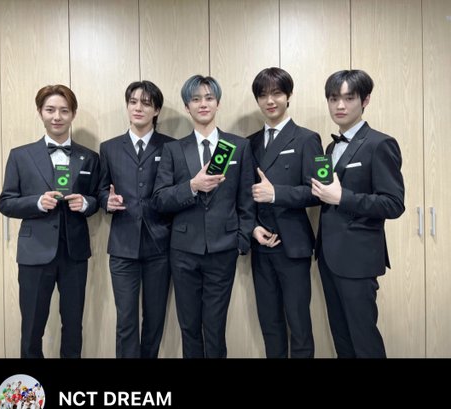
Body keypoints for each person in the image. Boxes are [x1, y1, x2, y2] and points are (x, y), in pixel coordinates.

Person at [152, 75, 255, 358]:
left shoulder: (239, 146)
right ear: (187, 107)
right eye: (196, 99)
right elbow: (159, 199)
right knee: (189, 327)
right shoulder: (173, 149)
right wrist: (192, 186)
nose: (203, 104)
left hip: (224, 250)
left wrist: (241, 240)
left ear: (218, 103)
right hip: (183, 251)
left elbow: (246, 200)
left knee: (215, 328)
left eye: (209, 98)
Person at [0, 84, 100, 358]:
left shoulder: (90, 157)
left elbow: (96, 198)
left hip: (74, 254)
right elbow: (5, 202)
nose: (57, 116)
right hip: (34, 254)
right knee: (32, 328)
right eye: (50, 110)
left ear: (73, 114)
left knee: (73, 327)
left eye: (64, 111)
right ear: (40, 112)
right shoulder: (20, 155)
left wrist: (86, 204)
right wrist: (36, 203)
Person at [311, 70, 405, 358]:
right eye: (333, 99)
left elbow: (393, 204)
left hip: (358, 260)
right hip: (328, 257)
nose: (339, 105)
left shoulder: (380, 144)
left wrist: (343, 198)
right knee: (342, 339)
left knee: (364, 341)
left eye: (349, 98)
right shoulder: (330, 147)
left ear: (365, 100)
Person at [248, 67, 323, 358]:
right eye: (263, 95)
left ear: (288, 95)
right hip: (261, 245)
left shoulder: (308, 139)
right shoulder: (249, 142)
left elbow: (319, 193)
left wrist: (276, 194)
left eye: (277, 93)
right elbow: (242, 196)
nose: (270, 101)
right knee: (270, 325)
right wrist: (253, 227)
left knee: (299, 324)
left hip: (293, 247)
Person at [99, 81, 174, 358]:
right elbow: (100, 189)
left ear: (156, 110)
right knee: (126, 320)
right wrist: (106, 201)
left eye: (145, 103)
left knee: (154, 319)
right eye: (133, 102)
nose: (138, 108)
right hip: (123, 246)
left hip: (160, 245)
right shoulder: (109, 148)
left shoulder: (171, 146)